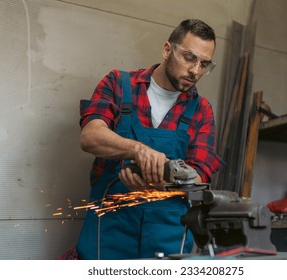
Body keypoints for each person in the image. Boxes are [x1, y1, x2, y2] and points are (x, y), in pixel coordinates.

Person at [76, 19, 225, 260]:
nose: (196, 71)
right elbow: (90, 136)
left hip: (168, 236)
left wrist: (158, 187)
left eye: (204, 64)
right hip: (109, 232)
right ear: (168, 50)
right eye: (189, 58)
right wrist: (137, 150)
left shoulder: (201, 110)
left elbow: (200, 176)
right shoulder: (118, 84)